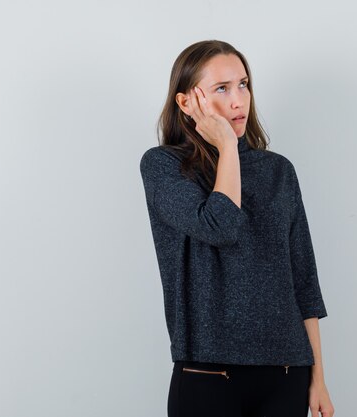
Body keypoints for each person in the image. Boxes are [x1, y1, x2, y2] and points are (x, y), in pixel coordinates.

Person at [139, 40, 335, 417]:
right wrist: (228, 146)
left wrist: (319, 379)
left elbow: (303, 281)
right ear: (186, 103)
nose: (238, 100)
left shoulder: (278, 171)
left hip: (287, 372)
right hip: (208, 373)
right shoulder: (163, 166)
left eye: (243, 84)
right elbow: (220, 225)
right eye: (222, 89)